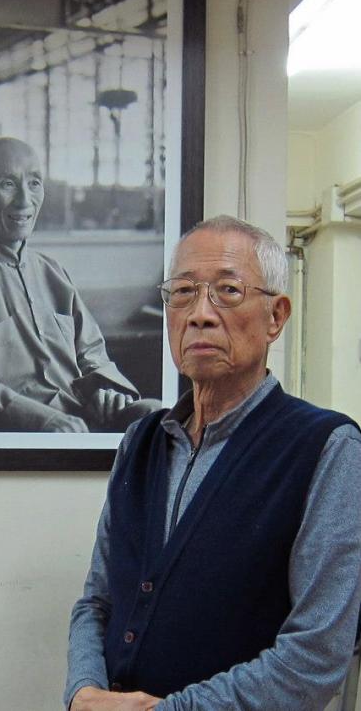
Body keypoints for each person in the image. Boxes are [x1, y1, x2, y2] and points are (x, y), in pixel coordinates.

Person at [65, 215, 361, 710]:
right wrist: (83, 693)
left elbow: (316, 655)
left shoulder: (327, 447)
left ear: (276, 316)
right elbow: (97, 602)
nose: (200, 314)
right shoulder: (141, 442)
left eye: (228, 291)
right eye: (183, 292)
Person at [0, 137, 160, 432]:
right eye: (8, 184)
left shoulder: (53, 273)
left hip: (83, 419)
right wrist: (39, 418)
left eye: (34, 183)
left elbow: (92, 354)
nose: (24, 200)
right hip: (16, 432)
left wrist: (107, 389)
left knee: (155, 414)